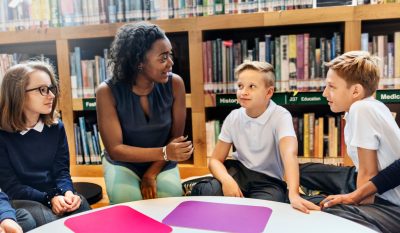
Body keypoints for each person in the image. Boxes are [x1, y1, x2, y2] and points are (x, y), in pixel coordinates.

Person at [191, 61, 320, 214]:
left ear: (269, 93)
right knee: (207, 191)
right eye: (240, 86)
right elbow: (215, 160)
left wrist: (294, 193)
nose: (243, 92)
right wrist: (227, 181)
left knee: (269, 209)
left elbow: (289, 154)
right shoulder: (233, 117)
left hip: (268, 181)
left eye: (251, 87)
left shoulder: (281, 115)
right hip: (238, 172)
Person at [300, 51, 400, 232]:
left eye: (331, 87)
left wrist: (352, 201)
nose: (324, 93)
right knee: (304, 171)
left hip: (391, 203)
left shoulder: (361, 109)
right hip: (370, 184)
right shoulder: (369, 106)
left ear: (355, 91)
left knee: (328, 208)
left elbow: (368, 173)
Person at [96, 22, 193, 204]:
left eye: (169, 55)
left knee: (170, 198)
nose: (171, 63)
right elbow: (116, 150)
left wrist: (151, 173)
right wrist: (164, 152)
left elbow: (175, 139)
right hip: (123, 163)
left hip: (162, 162)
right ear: (139, 62)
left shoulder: (175, 84)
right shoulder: (106, 91)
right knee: (128, 202)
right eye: (163, 58)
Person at [0, 61, 91, 227]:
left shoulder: (57, 128)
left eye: (51, 88)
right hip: (22, 198)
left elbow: (61, 171)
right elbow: (10, 186)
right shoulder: (3, 136)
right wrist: (49, 199)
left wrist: (67, 192)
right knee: (48, 220)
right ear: (17, 94)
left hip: (55, 194)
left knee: (82, 208)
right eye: (42, 89)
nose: (51, 95)